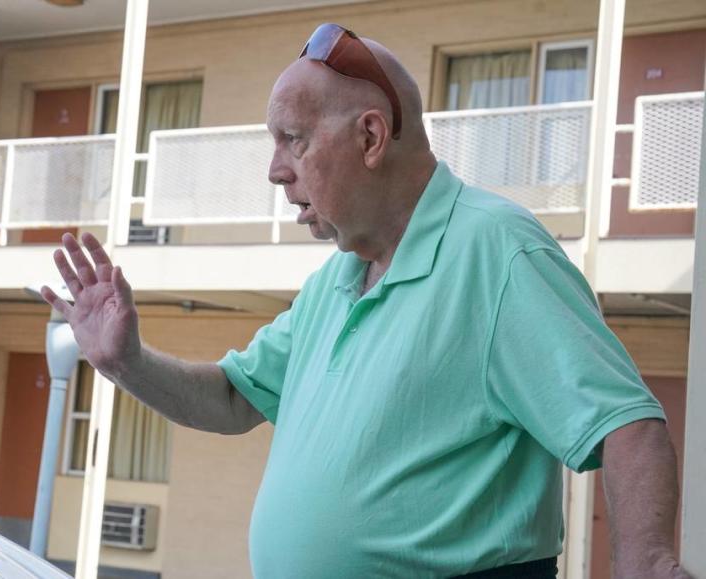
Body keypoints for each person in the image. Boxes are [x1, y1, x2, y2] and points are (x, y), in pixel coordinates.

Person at [42, 23, 691, 579]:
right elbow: (235, 397)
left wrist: (646, 561)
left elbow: (628, 425)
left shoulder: (497, 251)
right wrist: (124, 360)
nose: (274, 169)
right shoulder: (335, 279)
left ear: (372, 137)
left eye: (291, 139)